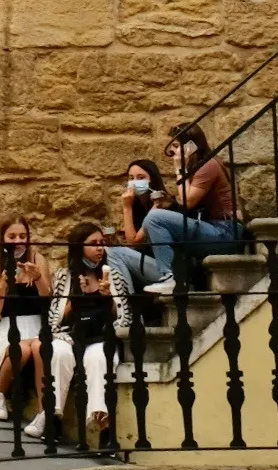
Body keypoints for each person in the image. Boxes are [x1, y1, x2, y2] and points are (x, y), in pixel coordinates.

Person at [50, 222, 131, 452]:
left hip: (100, 336)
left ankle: (105, 428)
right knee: (58, 353)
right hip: (71, 336)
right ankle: (53, 419)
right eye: (93, 244)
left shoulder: (113, 276)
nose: (100, 248)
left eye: (102, 243)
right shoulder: (65, 277)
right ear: (79, 247)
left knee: (99, 358)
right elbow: (55, 319)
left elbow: (124, 317)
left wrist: (108, 298)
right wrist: (76, 298)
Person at [138, 122, 240, 287]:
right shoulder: (198, 167)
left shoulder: (208, 165)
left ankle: (171, 277)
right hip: (215, 227)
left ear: (191, 146)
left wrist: (179, 168)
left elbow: (188, 202)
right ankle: (177, 277)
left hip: (226, 231)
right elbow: (185, 201)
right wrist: (171, 202)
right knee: (156, 221)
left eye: (176, 146)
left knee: (155, 218)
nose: (173, 152)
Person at [0, 216, 52, 436]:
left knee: (37, 347)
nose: (18, 241)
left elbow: (47, 299)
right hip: (9, 327)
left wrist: (38, 278)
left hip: (36, 325)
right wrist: (3, 284)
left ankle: (43, 414)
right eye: (12, 236)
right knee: (21, 349)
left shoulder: (38, 259)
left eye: (22, 236)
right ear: (3, 239)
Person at [106, 156, 175, 302]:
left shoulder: (162, 203)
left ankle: (127, 303)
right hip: (149, 264)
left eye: (141, 177)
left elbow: (134, 241)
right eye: (131, 178)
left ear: (152, 180)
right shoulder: (138, 206)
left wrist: (126, 208)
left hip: (170, 271)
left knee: (114, 252)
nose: (134, 182)